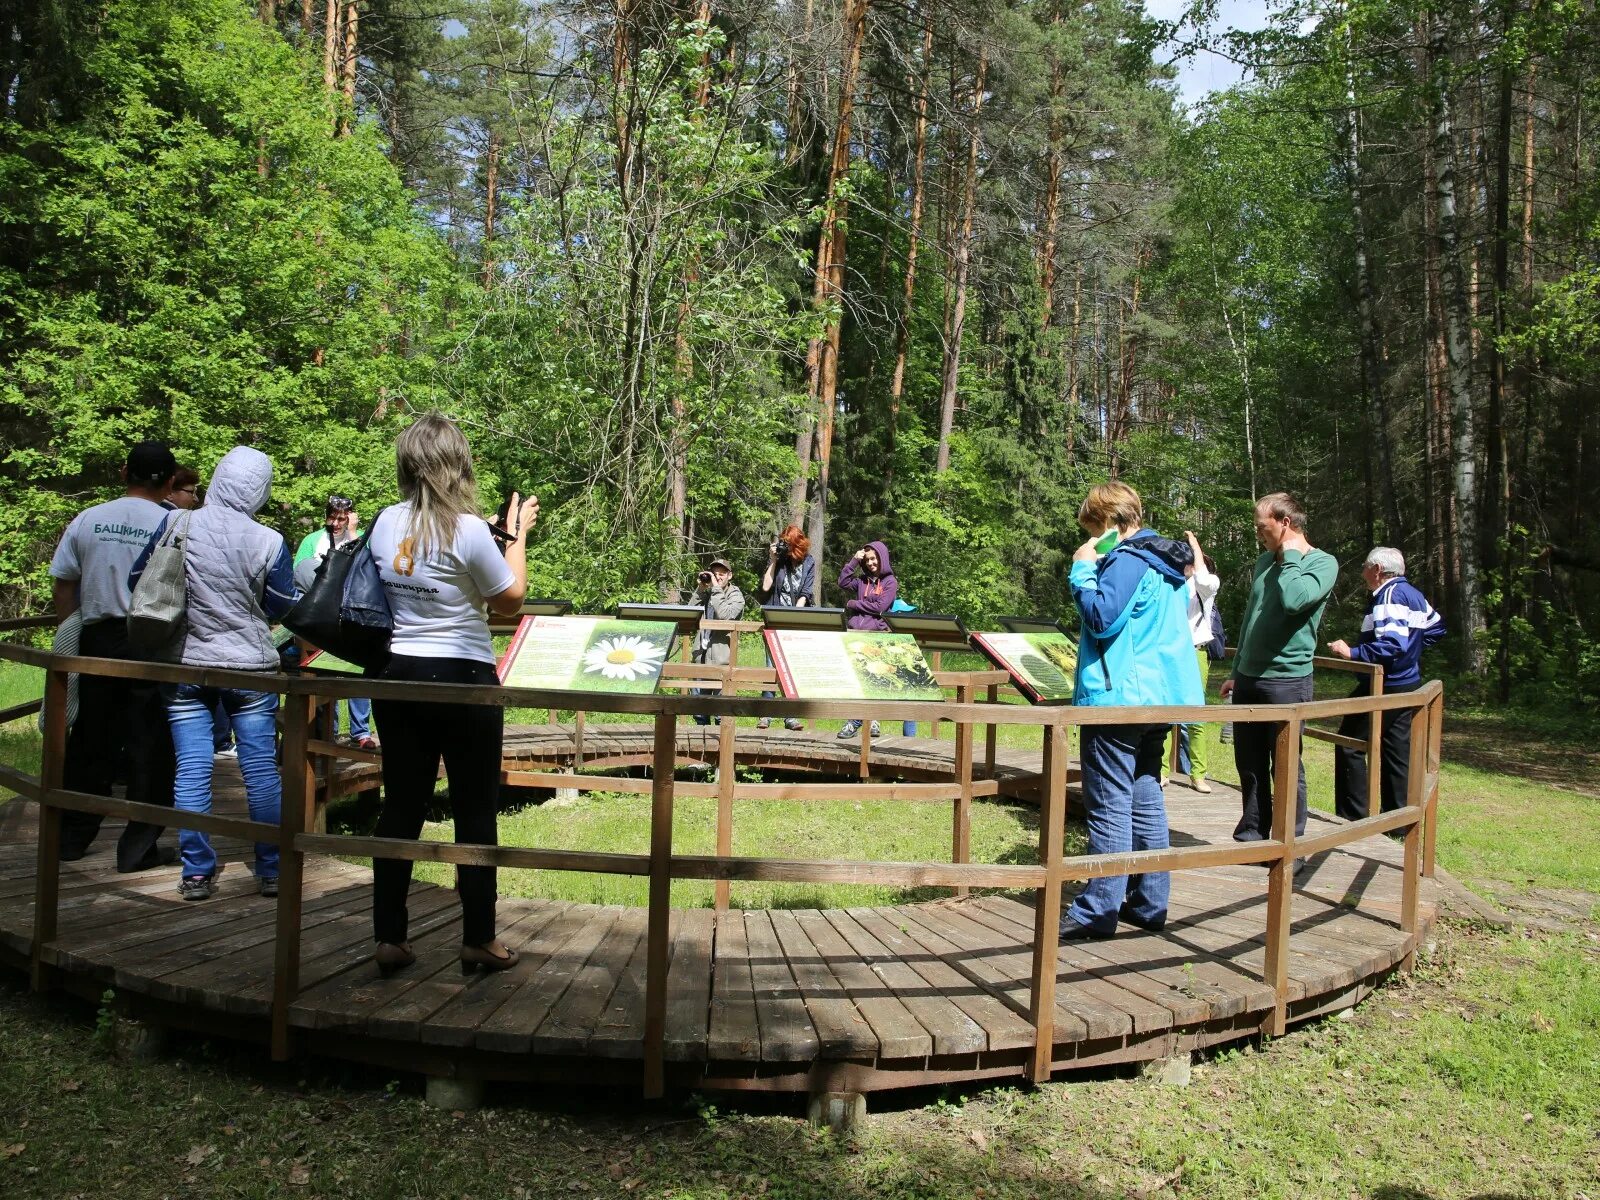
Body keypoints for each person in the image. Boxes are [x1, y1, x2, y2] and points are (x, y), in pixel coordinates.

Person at [364, 413, 536, 977]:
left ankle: (389, 935)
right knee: (474, 808)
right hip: (463, 678)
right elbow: (509, 599)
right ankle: (479, 939)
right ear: (456, 464)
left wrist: (489, 534)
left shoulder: (386, 522)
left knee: (402, 805)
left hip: (398, 674)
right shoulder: (467, 530)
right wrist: (519, 537)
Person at [130, 446, 295, 900]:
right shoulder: (270, 540)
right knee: (261, 771)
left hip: (187, 664)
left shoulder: (178, 522)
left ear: (219, 477)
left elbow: (139, 582)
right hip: (251, 670)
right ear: (260, 490)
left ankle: (197, 872)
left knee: (191, 769)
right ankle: (272, 869)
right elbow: (284, 605)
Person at [1059, 483, 1202, 941]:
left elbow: (1103, 618)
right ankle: (1148, 902)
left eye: (1095, 529)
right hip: (1157, 699)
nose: (1094, 539)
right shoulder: (1167, 564)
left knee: (1109, 805)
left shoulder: (1127, 559)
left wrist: (1083, 570)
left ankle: (1097, 910)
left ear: (1109, 523)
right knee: (1145, 798)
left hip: (1119, 700)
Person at [48, 440, 179, 871]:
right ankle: (137, 848)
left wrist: (72, 630)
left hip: (98, 640)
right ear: (171, 480)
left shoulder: (90, 518)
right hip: (153, 643)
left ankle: (70, 838)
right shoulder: (175, 524)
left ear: (125, 473)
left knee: (90, 741)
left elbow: (65, 584)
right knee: (151, 749)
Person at [1220, 492, 1338, 846]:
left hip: (1287, 680)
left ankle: (1290, 844)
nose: (1258, 534)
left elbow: (1294, 601)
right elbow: (1251, 620)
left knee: (1285, 768)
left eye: (1262, 526)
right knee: (1250, 762)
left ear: (1285, 523)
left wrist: (1289, 558)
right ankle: (1253, 834)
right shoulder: (1263, 562)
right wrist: (1237, 670)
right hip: (1249, 679)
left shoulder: (1322, 563)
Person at [1328, 547, 1446, 820]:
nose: (1363, 574)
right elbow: (1437, 628)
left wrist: (1352, 653)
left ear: (1377, 570)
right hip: (1408, 682)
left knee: (1350, 742)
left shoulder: (1389, 595)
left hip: (1385, 683)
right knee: (1396, 749)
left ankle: (1352, 817)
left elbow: (1392, 644)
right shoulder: (1413, 594)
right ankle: (1397, 821)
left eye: (1365, 568)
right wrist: (1412, 652)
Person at [293, 496, 375, 750]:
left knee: (358, 670)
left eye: (342, 518)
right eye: (332, 517)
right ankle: (330, 730)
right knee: (324, 671)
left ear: (351, 516)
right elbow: (298, 573)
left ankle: (360, 731)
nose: (336, 523)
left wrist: (352, 532)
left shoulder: (361, 537)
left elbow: (367, 567)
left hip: (351, 616)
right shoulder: (311, 540)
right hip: (322, 615)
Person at [1166, 533, 1221, 793]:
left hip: (1195, 653)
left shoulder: (1207, 586)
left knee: (1196, 717)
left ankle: (1198, 774)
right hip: (1170, 653)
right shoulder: (1172, 584)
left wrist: (1195, 546)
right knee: (1164, 713)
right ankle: (1160, 771)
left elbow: (1202, 578)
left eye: (1195, 561)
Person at [836, 540, 898, 740]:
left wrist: (855, 602)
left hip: (876, 636)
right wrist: (854, 560)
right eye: (868, 559)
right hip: (855, 634)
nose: (871, 563)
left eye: (874, 559)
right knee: (856, 680)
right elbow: (843, 582)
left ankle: (863, 721)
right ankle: (862, 720)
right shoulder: (862, 581)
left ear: (882, 558)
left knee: (872, 679)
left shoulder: (890, 582)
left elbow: (880, 607)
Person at [758, 526, 814, 731]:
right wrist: (772, 560)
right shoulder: (779, 560)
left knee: (793, 669)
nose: (786, 548)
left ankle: (791, 715)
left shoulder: (809, 562)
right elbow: (765, 587)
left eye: (789, 544)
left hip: (796, 621)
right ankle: (766, 713)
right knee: (770, 667)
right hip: (774, 620)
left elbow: (806, 593)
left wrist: (794, 617)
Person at [690, 557, 747, 727]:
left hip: (723, 659)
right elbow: (690, 612)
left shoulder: (736, 595)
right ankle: (699, 746)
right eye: (714, 574)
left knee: (721, 712)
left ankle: (721, 749)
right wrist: (700, 589)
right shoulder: (707, 591)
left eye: (722, 574)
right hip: (702, 655)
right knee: (699, 710)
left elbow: (725, 615)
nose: (718, 578)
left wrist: (715, 589)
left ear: (730, 575)